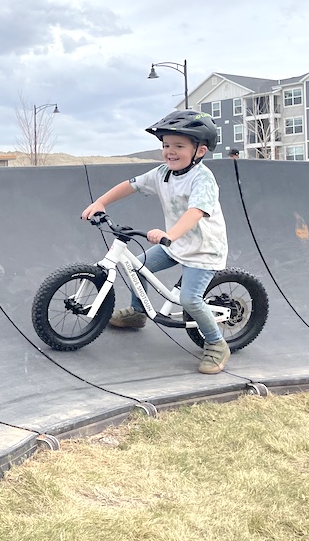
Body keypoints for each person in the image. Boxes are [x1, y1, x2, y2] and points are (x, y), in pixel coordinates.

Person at [80, 110, 231, 374]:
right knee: (137, 268)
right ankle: (138, 314)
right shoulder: (163, 173)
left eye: (179, 146)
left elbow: (195, 212)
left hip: (203, 250)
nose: (170, 151)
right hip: (174, 244)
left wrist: (169, 235)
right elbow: (130, 185)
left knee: (190, 300)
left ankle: (217, 344)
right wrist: (101, 202)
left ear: (201, 150)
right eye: (166, 146)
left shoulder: (203, 179)